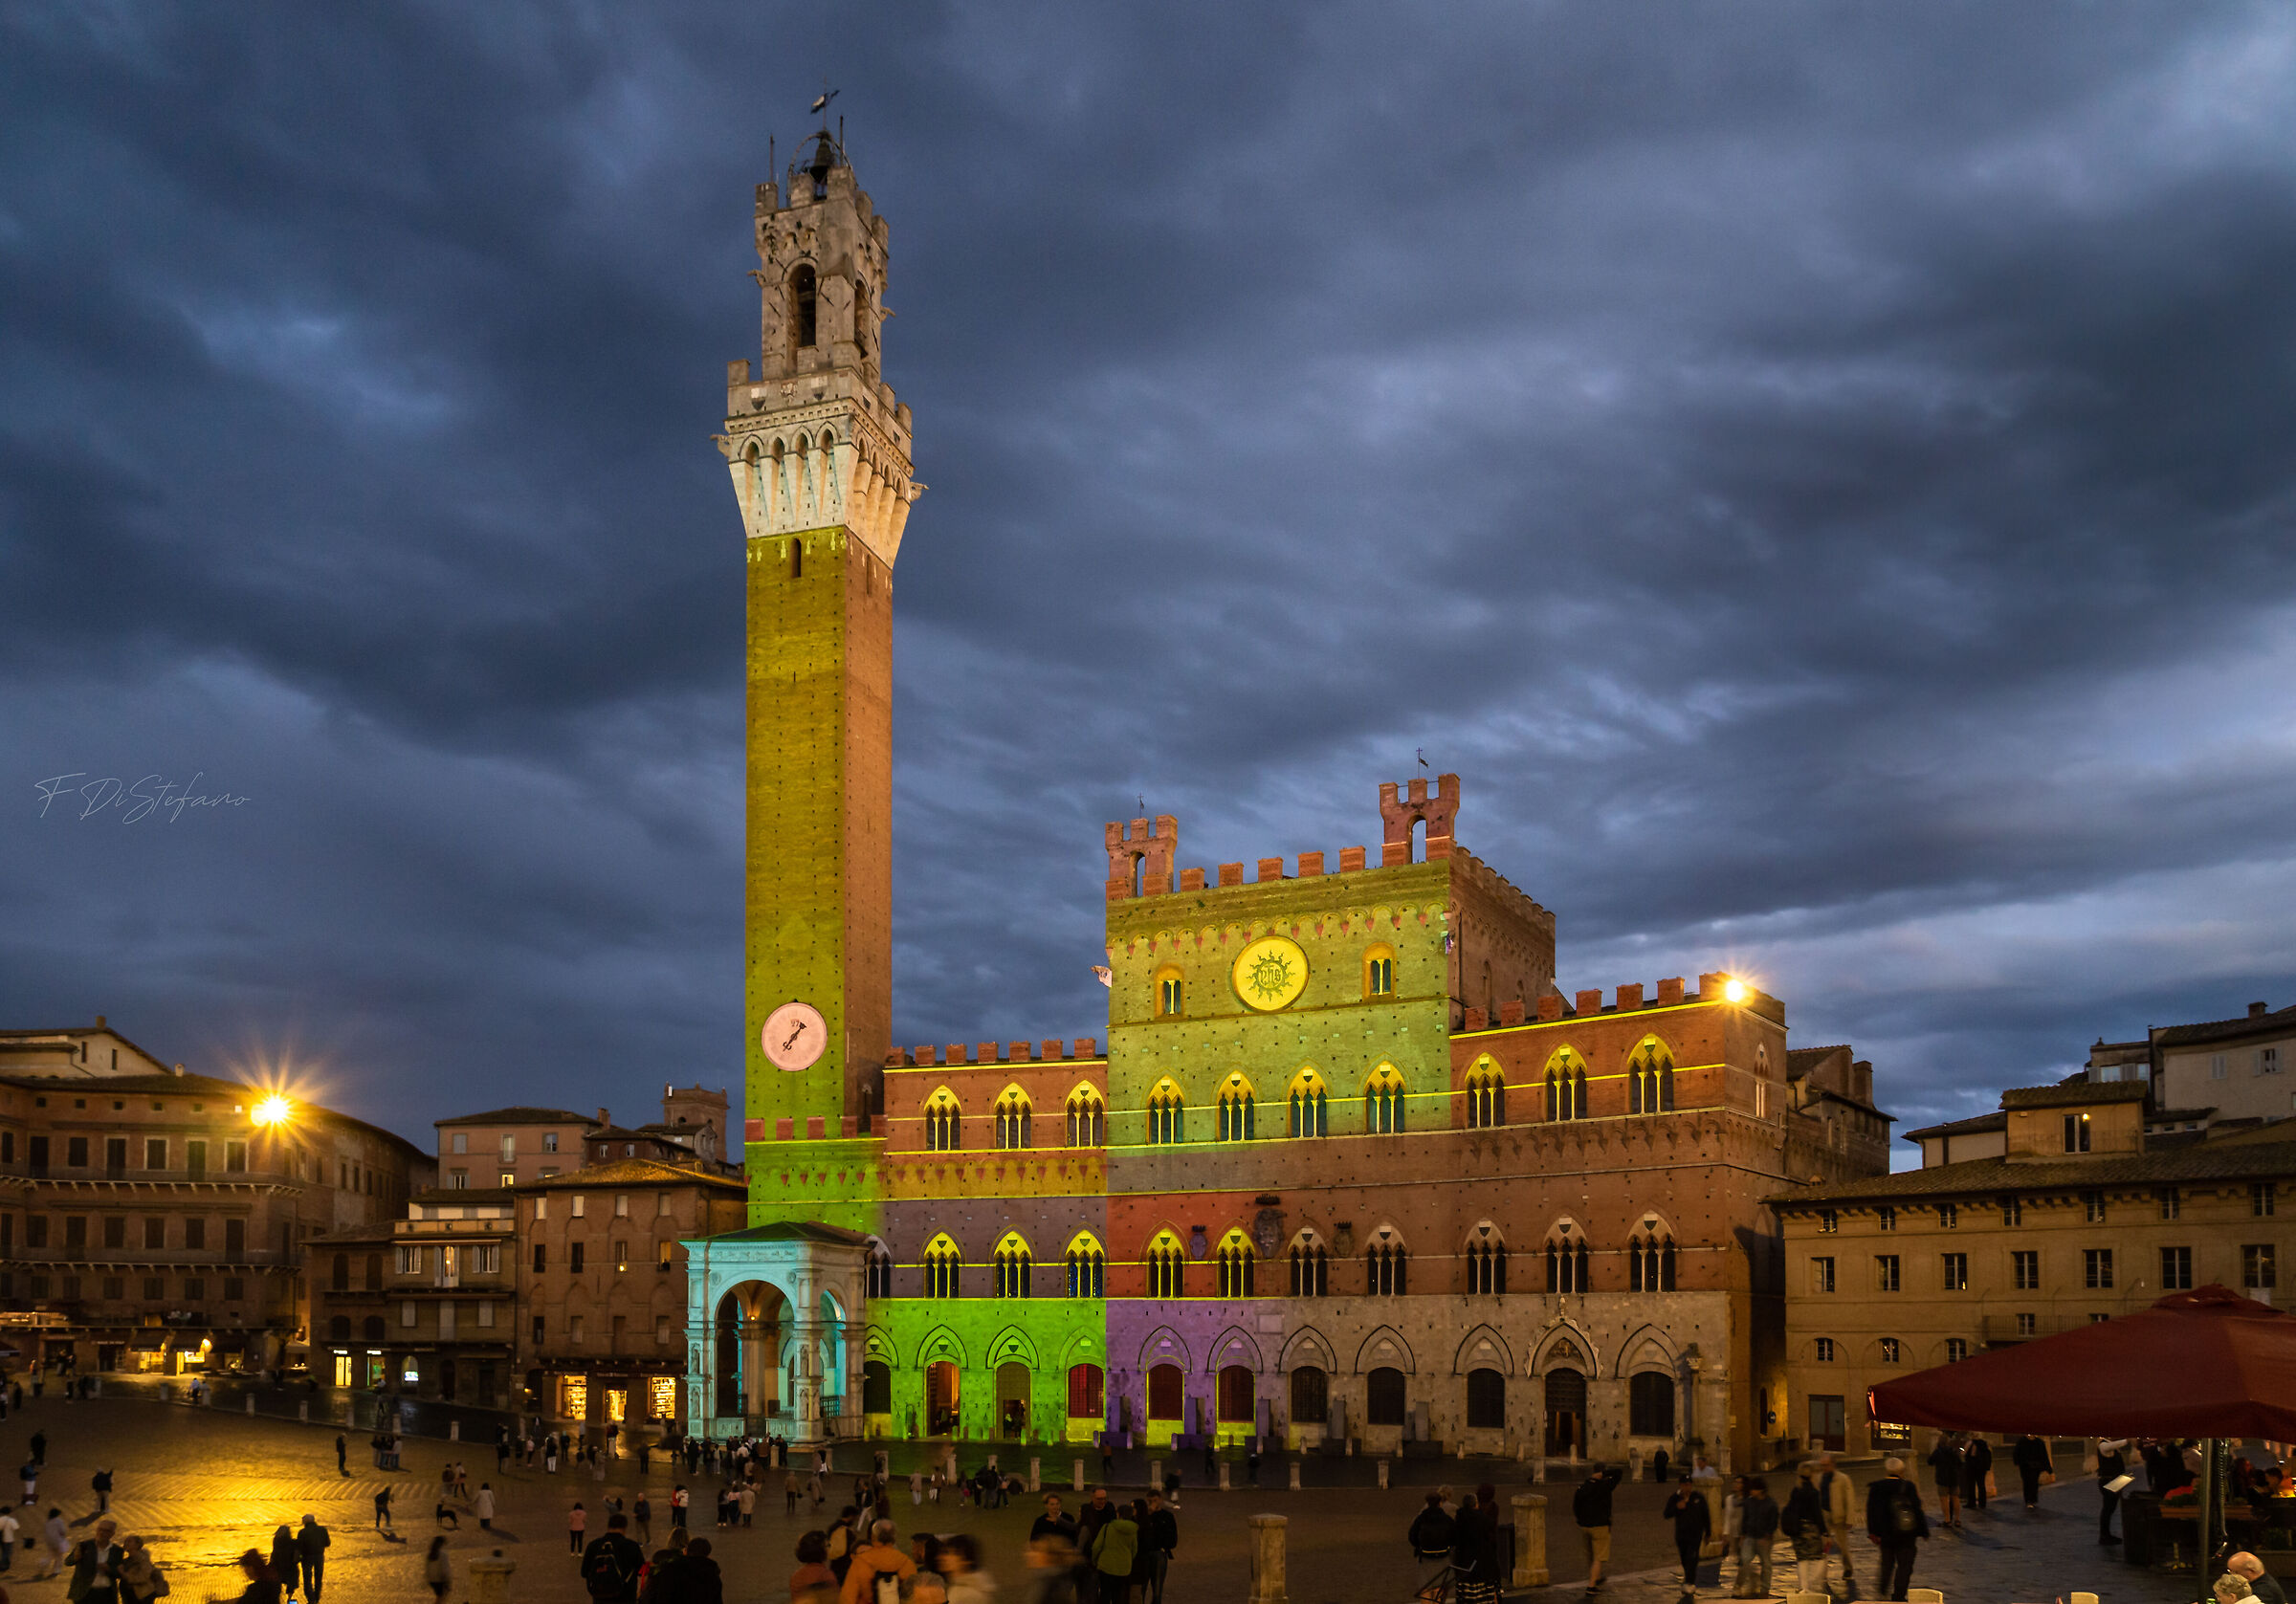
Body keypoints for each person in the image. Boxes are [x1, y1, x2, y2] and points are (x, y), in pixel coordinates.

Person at [1866, 1456, 1930, 1601]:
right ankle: (1899, 1595)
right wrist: (1924, 1531)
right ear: (1902, 1471)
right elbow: (1917, 1510)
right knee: (1905, 1565)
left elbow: (1871, 1511)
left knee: (1887, 1563)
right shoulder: (1909, 1486)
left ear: (1887, 1470)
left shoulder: (1877, 1487)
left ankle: (1882, 1590)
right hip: (1906, 1533)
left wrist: (1873, 1532)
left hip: (1885, 1533)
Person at [1573, 1462, 1624, 1595]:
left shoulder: (1583, 1487)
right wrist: (1604, 1474)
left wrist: (1580, 1520)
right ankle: (1591, 1586)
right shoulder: (1605, 1486)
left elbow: (1576, 1507)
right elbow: (1619, 1472)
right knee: (1599, 1557)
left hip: (1584, 1526)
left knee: (1591, 1555)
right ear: (1602, 1472)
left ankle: (1597, 1576)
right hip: (1600, 1526)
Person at [840, 1518, 916, 1604]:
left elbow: (848, 1597)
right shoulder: (906, 1562)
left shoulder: (861, 1562)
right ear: (894, 1538)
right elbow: (914, 1595)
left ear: (873, 1537)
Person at [1781, 1463, 1830, 1596]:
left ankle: (1804, 1587)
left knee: (1802, 1559)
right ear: (1812, 1475)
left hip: (1797, 1529)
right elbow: (1817, 1514)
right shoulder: (1813, 1492)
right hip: (1810, 1528)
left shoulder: (1796, 1490)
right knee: (1819, 1558)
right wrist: (1824, 1532)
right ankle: (1812, 1582)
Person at [1817, 1452, 1860, 1599]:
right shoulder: (1819, 1478)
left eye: (1826, 1465)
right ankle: (1823, 1574)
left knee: (1843, 1546)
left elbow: (1850, 1498)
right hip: (1824, 1515)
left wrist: (1850, 1518)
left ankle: (1848, 1569)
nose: (1824, 1468)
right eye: (1822, 1465)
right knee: (1823, 1546)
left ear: (1833, 1464)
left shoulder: (1842, 1479)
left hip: (1839, 1515)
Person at [1665, 1478, 1713, 1598]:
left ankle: (1690, 1582)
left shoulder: (1698, 1497)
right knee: (1684, 1559)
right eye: (1685, 1485)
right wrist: (1677, 1507)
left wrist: (1708, 1533)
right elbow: (1666, 1514)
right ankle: (1688, 1577)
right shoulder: (1675, 1498)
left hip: (1695, 1535)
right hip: (1681, 1535)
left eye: (1689, 1485)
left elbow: (1705, 1514)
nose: (1687, 1487)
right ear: (1680, 1485)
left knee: (1693, 1557)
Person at [582, 1513, 647, 1604]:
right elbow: (641, 1570)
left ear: (608, 1526)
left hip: (600, 1597)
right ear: (624, 1527)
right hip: (626, 1596)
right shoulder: (631, 1546)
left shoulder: (593, 1545)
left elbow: (584, 1572)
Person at [1452, 1486, 1503, 1604]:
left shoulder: (1459, 1518)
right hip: (1482, 1561)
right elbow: (1490, 1529)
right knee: (1484, 1593)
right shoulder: (1483, 1519)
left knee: (1466, 1593)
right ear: (1476, 1504)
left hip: (1464, 1560)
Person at [1088, 1497, 1137, 1604]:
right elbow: (1134, 1549)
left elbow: (1097, 1546)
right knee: (1118, 1595)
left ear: (1118, 1514)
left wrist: (1095, 1560)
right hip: (1124, 1568)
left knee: (1105, 1594)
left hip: (1106, 1566)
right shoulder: (1133, 1530)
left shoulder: (1107, 1527)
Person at [1734, 1478, 1777, 1601]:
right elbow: (1745, 1519)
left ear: (1760, 1490)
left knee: (1766, 1565)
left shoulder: (1770, 1504)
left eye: (1753, 1489)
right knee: (1744, 1561)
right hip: (1750, 1537)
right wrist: (1743, 1535)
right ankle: (1739, 1586)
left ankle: (1764, 1590)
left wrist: (1768, 1535)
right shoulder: (1749, 1502)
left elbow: (1773, 1521)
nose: (1751, 1491)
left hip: (1764, 1539)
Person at [1408, 1488, 1456, 1591]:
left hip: (1425, 1556)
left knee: (1425, 1586)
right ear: (1440, 1503)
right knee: (1440, 1586)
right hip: (1443, 1556)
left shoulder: (1421, 1518)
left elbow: (1412, 1536)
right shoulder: (1447, 1519)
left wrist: (1419, 1546)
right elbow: (1454, 1537)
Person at [65, 1518, 122, 1604]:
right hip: (84, 1593)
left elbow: (119, 1572)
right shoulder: (84, 1545)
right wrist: (75, 1558)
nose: (101, 1533)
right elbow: (67, 1562)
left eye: (106, 1531)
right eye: (100, 1529)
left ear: (112, 1534)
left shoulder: (117, 1550)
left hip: (106, 1594)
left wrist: (109, 1569)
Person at [1141, 1488, 1177, 1604]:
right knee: (1141, 1587)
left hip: (1159, 1553)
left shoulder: (1167, 1516)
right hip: (1144, 1553)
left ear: (1160, 1500)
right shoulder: (1143, 1517)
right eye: (1150, 1501)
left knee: (1157, 1589)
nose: (1152, 1504)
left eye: (1154, 1501)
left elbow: (1172, 1538)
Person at [941, 1532, 994, 1604]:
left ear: (967, 1560)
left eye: (952, 1553)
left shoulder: (967, 1595)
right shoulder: (961, 1587)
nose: (944, 1558)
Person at [791, 1531, 839, 1604]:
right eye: (827, 1546)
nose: (829, 1548)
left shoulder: (796, 1576)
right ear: (821, 1550)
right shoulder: (826, 1575)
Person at [2097, 1439, 2128, 1545]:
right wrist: (2127, 1441)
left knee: (2111, 1508)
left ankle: (2107, 1534)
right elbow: (2110, 1446)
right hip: (2108, 1480)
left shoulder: (2112, 1446)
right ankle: (2104, 1535)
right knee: (2107, 1508)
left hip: (2117, 1480)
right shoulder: (2103, 1445)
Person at [119, 1533, 165, 1604]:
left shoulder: (143, 1560)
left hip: (142, 1596)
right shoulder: (127, 1560)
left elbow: (143, 1577)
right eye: (125, 1541)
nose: (126, 1543)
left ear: (137, 1545)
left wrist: (124, 1574)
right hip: (129, 1596)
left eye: (129, 1541)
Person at [2013, 1433, 2052, 1510]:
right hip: (2025, 1467)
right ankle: (2028, 1500)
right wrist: (2019, 1462)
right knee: (2027, 1482)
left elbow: (2044, 1455)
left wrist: (2047, 1467)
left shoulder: (2039, 1442)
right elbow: (2017, 1453)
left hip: (2035, 1466)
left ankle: (2032, 1499)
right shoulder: (2022, 1441)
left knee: (2034, 1482)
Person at [295, 1515, 328, 1602]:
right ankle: (316, 1597)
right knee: (318, 1577)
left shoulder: (302, 1532)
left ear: (304, 1522)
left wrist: (299, 1557)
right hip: (319, 1556)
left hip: (307, 1557)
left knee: (307, 1578)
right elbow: (327, 1543)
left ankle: (311, 1598)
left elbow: (300, 1547)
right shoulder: (322, 1530)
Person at [269, 1525, 298, 1603]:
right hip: (290, 1566)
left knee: (277, 1583)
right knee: (291, 1584)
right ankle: (290, 1600)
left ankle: (277, 1599)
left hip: (278, 1564)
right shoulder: (293, 1542)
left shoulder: (276, 1540)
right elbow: (297, 1554)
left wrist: (271, 1562)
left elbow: (274, 1552)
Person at [1964, 1434, 1994, 1512]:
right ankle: (1982, 1503)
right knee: (1981, 1485)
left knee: (1971, 1485)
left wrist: (1961, 1450)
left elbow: (1964, 1452)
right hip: (1981, 1468)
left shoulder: (1970, 1443)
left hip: (1971, 1467)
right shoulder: (1984, 1444)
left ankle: (1971, 1503)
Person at [37, 1508, 68, 1580]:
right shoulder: (59, 1521)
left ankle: (42, 1563)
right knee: (59, 1557)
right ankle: (57, 1570)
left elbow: (45, 1531)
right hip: (58, 1541)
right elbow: (63, 1531)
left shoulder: (48, 1521)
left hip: (50, 1542)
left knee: (50, 1556)